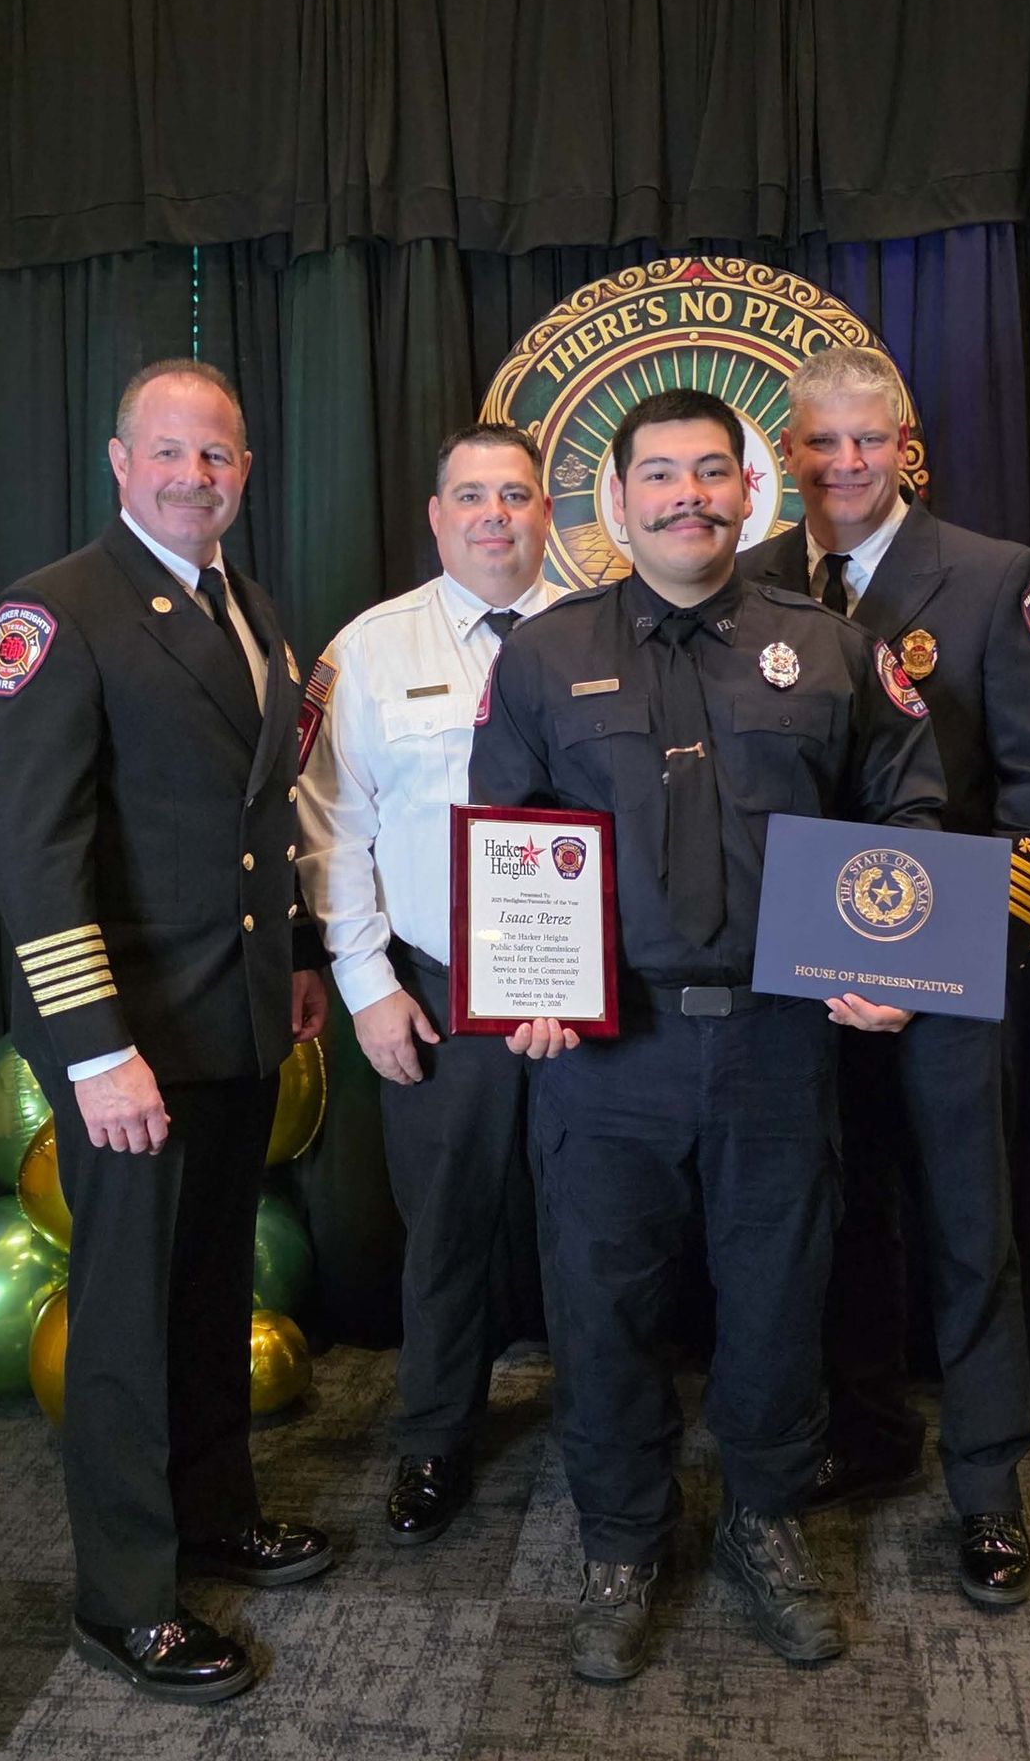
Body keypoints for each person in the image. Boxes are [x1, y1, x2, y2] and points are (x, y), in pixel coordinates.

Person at [469, 388, 947, 1683]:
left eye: (712, 473)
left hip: (779, 1044)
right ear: (617, 502)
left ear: (750, 491)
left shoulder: (832, 650)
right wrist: (524, 980)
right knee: (600, 1305)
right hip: (605, 1053)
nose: (689, 495)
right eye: (661, 475)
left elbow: (907, 809)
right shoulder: (544, 657)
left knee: (780, 1300)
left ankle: (765, 1522)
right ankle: (622, 1541)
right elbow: (506, 829)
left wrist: (892, 953)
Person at [0, 359, 333, 1705]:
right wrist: (93, 1046)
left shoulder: (247, 605)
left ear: (246, 471)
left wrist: (298, 958)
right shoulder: (56, 612)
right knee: (123, 1319)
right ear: (119, 463)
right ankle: (124, 1598)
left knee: (208, 1288)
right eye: (169, 452)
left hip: (232, 1018)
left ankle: (214, 1511)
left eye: (217, 455)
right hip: (132, 1039)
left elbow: (255, 819)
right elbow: (35, 855)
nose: (194, 476)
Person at [740, 344, 1030, 1608]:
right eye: (819, 443)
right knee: (834, 1221)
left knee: (964, 1230)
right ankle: (870, 1430)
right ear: (789, 453)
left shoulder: (992, 579)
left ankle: (987, 1488)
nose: (844, 464)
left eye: (866, 440)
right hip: (795, 976)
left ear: (906, 447)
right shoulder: (751, 581)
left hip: (939, 980)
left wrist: (940, 968)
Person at [296, 424, 563, 1546]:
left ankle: (609, 1421)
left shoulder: (610, 630)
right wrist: (366, 985)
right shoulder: (367, 649)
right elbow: (328, 828)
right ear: (436, 514)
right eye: (472, 495)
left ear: (548, 510)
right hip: (439, 986)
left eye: (516, 494)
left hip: (586, 994)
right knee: (446, 1226)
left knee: (600, 1220)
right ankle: (437, 1435)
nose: (495, 514)